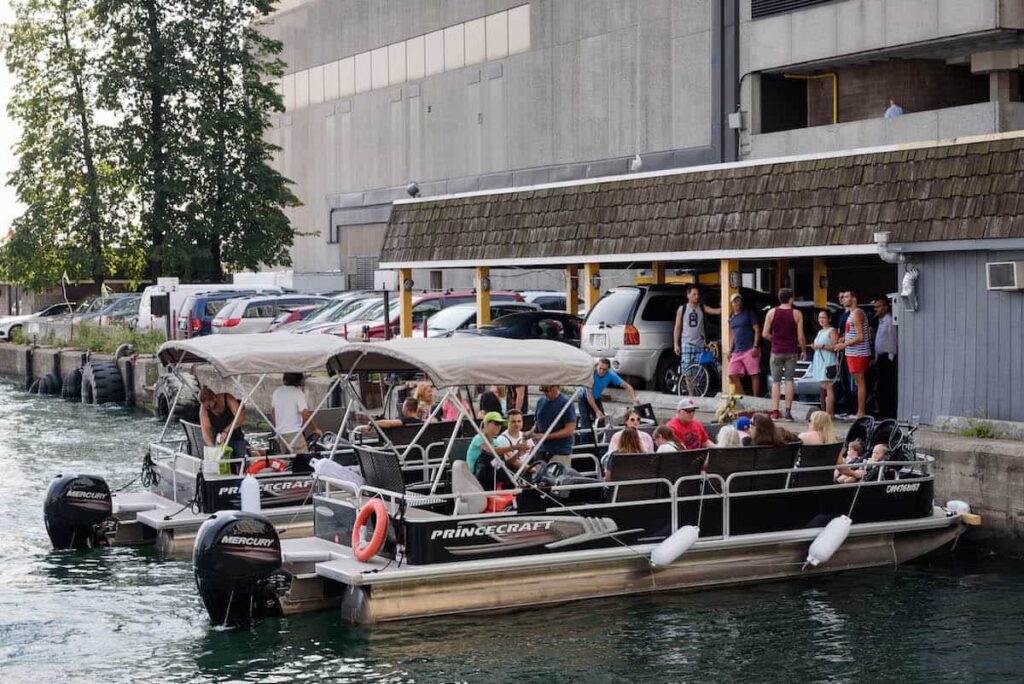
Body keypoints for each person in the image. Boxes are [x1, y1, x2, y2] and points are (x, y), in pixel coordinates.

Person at [763, 288, 806, 421]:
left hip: (776, 351)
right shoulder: (797, 314)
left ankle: (775, 411)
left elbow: (765, 334)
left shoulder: (771, 312)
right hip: (791, 351)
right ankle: (787, 412)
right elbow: (800, 336)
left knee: (776, 382)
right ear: (791, 299)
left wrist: (775, 340)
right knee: (789, 381)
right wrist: (803, 350)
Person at [579, 358, 639, 432]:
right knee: (586, 423)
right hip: (584, 398)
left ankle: (600, 440)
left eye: (604, 370)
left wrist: (634, 398)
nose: (601, 371)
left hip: (596, 398)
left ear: (608, 370)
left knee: (601, 421)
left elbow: (627, 386)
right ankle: (585, 441)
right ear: (597, 366)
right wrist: (596, 411)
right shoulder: (591, 374)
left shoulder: (610, 375)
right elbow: (589, 395)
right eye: (600, 368)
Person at [836, 289, 871, 418]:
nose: (843, 299)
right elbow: (855, 333)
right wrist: (845, 338)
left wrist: (843, 344)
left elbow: (861, 336)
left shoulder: (857, 313)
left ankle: (861, 412)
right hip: (853, 352)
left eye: (846, 297)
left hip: (858, 353)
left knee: (860, 382)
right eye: (843, 297)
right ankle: (858, 411)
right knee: (857, 382)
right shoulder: (852, 314)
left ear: (854, 298)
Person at [466, 412, 524, 488]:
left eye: (500, 424)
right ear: (486, 424)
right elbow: (492, 451)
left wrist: (519, 451)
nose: (499, 426)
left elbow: (508, 462)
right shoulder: (479, 438)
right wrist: (515, 447)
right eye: (496, 423)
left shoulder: (496, 442)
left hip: (490, 478)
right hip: (475, 480)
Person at [526, 384, 577, 466]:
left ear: (556, 386)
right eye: (543, 390)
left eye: (548, 390)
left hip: (560, 451)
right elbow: (538, 423)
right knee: (537, 476)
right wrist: (530, 433)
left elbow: (570, 429)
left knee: (557, 477)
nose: (546, 393)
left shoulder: (566, 402)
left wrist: (545, 436)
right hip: (541, 449)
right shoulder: (540, 401)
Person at [271, 373, 322, 453]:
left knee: (287, 461)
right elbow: (305, 415)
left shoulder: (277, 392)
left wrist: (280, 425)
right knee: (303, 459)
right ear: (299, 381)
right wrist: (315, 429)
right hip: (294, 433)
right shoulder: (297, 393)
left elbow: (273, 413)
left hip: (280, 433)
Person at [673, 285, 721, 369]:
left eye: (698, 294)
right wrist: (676, 344)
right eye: (694, 294)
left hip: (700, 344)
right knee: (687, 369)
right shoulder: (682, 309)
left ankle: (697, 383)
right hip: (687, 343)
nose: (697, 296)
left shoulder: (702, 307)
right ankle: (689, 383)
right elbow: (677, 327)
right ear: (688, 295)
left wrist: (725, 305)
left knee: (700, 370)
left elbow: (716, 311)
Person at [198, 387, 249, 464]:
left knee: (243, 463)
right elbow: (205, 432)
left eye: (209, 405)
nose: (208, 408)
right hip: (219, 443)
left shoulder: (228, 399)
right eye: (205, 407)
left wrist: (226, 431)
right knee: (225, 465)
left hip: (237, 438)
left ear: (214, 397)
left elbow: (241, 417)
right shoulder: (204, 409)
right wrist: (213, 449)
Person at [726, 293, 761, 397]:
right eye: (734, 301)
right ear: (731, 303)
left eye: (738, 300)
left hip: (750, 348)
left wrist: (755, 346)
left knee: (754, 374)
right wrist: (729, 350)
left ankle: (755, 398)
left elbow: (757, 329)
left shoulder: (748, 313)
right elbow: (732, 334)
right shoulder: (731, 317)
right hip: (737, 350)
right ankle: (743, 397)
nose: (737, 303)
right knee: (732, 374)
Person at [810, 310, 840, 416]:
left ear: (829, 319)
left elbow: (835, 346)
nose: (821, 320)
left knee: (829, 387)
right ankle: (826, 413)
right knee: (824, 387)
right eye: (819, 318)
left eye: (824, 317)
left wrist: (821, 346)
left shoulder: (832, 331)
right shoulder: (820, 331)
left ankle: (830, 413)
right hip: (820, 362)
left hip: (828, 362)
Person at [873, 297, 898, 418]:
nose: (875, 309)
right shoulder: (880, 321)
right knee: (880, 386)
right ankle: (882, 412)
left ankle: (888, 413)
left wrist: (891, 357)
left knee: (886, 386)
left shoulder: (889, 321)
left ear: (885, 307)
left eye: (878, 306)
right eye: (875, 307)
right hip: (880, 357)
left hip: (887, 358)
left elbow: (892, 339)